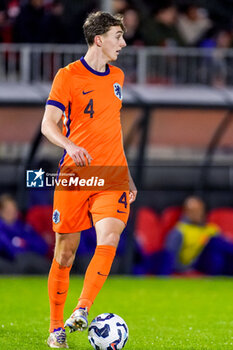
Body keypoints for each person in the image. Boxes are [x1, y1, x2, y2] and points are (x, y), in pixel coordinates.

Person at [41, 11, 137, 348]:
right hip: (75, 176)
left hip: (111, 174)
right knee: (65, 253)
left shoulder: (119, 77)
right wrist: (69, 144)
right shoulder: (67, 76)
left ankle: (82, 309)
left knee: (110, 237)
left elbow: (114, 130)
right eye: (117, 37)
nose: (122, 44)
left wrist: (127, 174)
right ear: (99, 39)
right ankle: (56, 329)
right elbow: (48, 124)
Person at [165, 196, 233, 275]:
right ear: (186, 212)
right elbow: (170, 258)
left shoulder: (212, 228)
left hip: (216, 263)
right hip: (195, 264)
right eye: (193, 211)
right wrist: (185, 270)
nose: (197, 214)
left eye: (199, 210)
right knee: (213, 241)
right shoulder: (180, 230)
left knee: (218, 249)